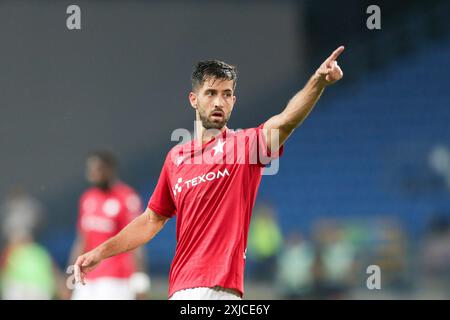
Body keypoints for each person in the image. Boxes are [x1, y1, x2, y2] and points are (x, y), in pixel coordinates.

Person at [73, 47, 345, 300]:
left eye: (227, 94)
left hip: (220, 289)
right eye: (211, 93)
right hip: (180, 288)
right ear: (193, 99)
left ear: (234, 101)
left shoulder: (245, 147)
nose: (219, 101)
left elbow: (286, 120)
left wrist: (318, 82)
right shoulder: (176, 159)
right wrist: (100, 252)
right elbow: (152, 219)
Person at [69, 151, 150, 300]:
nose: (92, 174)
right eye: (90, 170)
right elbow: (82, 239)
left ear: (109, 170)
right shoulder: (87, 198)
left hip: (116, 280)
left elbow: (135, 240)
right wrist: (70, 274)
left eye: (97, 169)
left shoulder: (126, 198)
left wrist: (140, 278)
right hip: (88, 279)